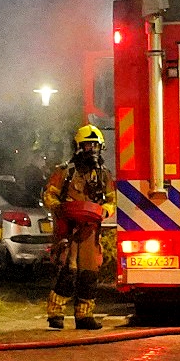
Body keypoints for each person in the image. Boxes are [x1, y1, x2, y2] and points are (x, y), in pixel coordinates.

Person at [43, 124, 112, 330]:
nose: (91, 150)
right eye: (87, 145)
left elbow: (110, 200)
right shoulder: (64, 172)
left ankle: (84, 316)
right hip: (69, 228)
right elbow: (50, 194)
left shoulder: (103, 175)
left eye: (95, 145)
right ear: (78, 147)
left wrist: (104, 212)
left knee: (89, 274)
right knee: (68, 271)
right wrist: (61, 210)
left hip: (90, 229)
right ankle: (55, 314)